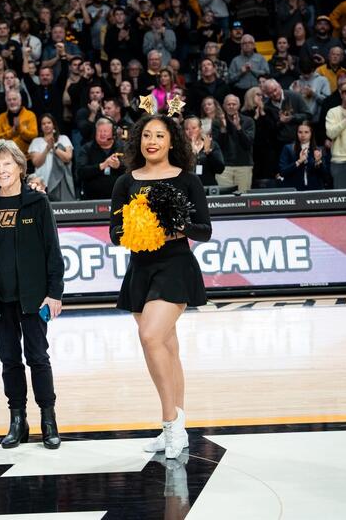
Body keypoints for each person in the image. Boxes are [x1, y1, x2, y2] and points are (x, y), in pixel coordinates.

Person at [109, 114, 212, 459]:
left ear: (171, 142)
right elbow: (115, 233)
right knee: (166, 347)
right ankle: (178, 426)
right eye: (146, 135)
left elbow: (204, 230)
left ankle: (170, 424)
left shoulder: (187, 180)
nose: (152, 141)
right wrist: (141, 227)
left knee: (151, 336)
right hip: (141, 269)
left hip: (175, 266)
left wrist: (176, 226)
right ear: (139, 140)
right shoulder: (126, 182)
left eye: (160, 136)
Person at [0, 139, 63, 450]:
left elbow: (53, 251)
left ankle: (48, 419)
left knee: (38, 358)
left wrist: (54, 293)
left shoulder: (37, 203)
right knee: (9, 360)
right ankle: (17, 420)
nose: (1, 170)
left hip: (34, 298)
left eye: (7, 164)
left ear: (20, 168)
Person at [28, 114, 75, 201]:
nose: (46, 125)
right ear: (40, 126)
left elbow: (68, 157)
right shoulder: (36, 142)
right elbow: (36, 163)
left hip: (60, 182)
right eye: (43, 123)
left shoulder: (63, 138)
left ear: (53, 124)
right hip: (41, 182)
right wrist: (47, 148)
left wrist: (54, 148)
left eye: (49, 122)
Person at [77, 118, 125, 200]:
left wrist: (119, 166)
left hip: (119, 198)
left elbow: (133, 169)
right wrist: (102, 166)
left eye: (105, 131)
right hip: (92, 200)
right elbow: (81, 172)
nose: (102, 134)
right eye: (99, 131)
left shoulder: (123, 147)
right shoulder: (86, 149)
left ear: (112, 133)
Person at [279, 121, 330, 190]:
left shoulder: (319, 150)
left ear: (311, 134)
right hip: (294, 190)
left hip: (314, 190)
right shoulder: (288, 148)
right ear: (296, 133)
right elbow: (282, 172)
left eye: (306, 132)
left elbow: (325, 176)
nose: (303, 135)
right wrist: (299, 161)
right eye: (300, 132)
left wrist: (318, 162)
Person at [184, 117, 225, 187]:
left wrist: (208, 153)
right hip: (188, 186)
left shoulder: (212, 144)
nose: (190, 131)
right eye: (187, 129)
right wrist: (191, 152)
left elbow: (220, 169)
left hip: (208, 185)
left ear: (200, 129)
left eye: (194, 128)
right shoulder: (181, 147)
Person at [325, 84, 346, 189]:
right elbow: (330, 133)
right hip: (340, 161)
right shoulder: (333, 112)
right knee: (342, 198)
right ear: (341, 94)